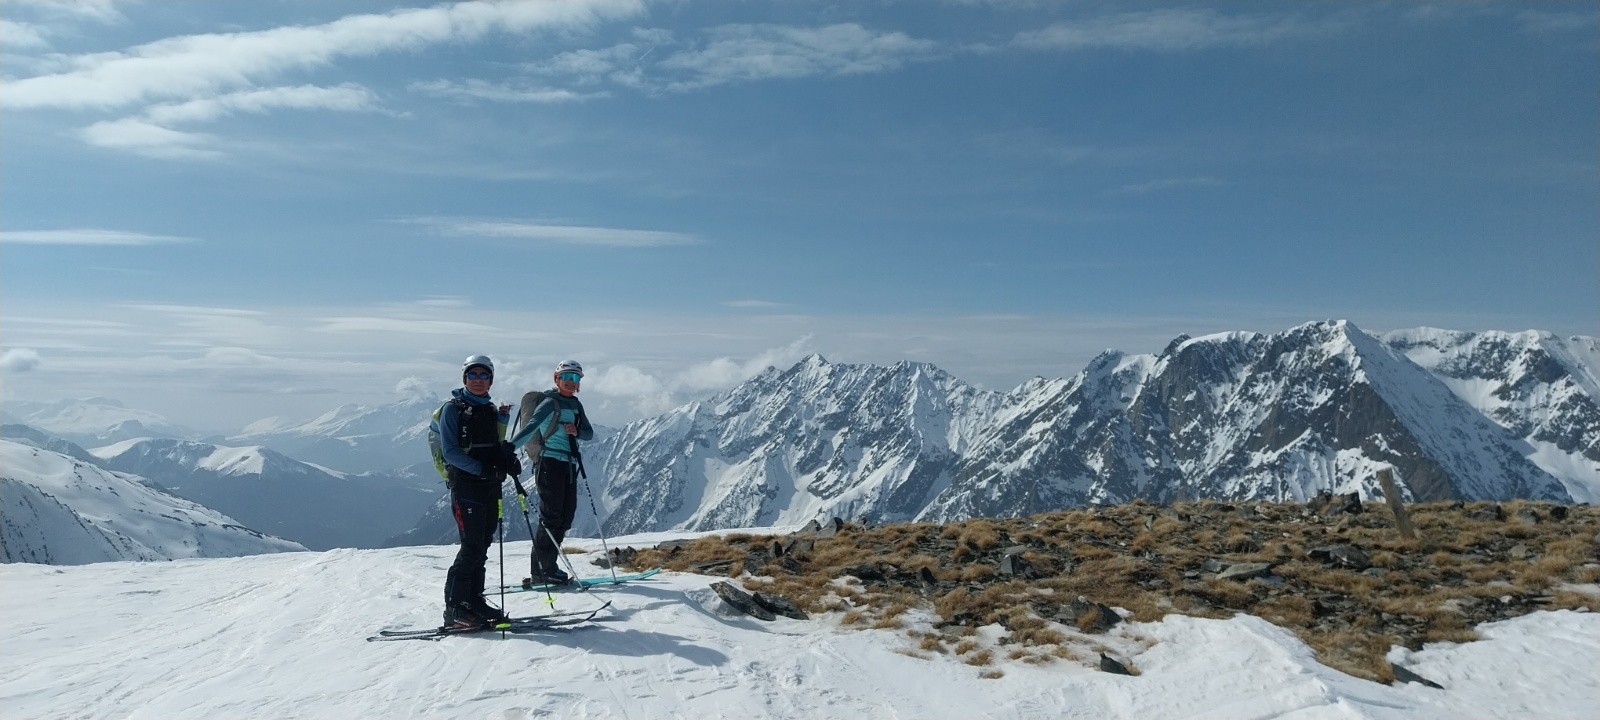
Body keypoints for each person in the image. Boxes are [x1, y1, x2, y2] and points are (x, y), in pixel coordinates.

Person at [435, 354, 521, 629]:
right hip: (467, 486)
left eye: (484, 376)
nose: (478, 380)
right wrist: (483, 470)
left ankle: (473, 600)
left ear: (491, 380)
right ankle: (455, 608)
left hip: (489, 486)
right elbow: (450, 453)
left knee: (482, 545)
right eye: (473, 375)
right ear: (464, 378)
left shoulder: (489, 409)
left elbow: (493, 444)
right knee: (471, 546)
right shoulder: (453, 409)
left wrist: (506, 457)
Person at [517, 359, 595, 584]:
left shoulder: (576, 405)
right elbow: (531, 427)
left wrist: (576, 431)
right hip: (549, 463)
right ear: (557, 378)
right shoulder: (550, 403)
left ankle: (548, 567)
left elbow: (588, 434)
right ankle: (541, 571)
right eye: (567, 377)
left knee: (565, 517)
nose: (572, 382)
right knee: (551, 517)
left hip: (569, 464)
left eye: (576, 378)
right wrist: (509, 447)